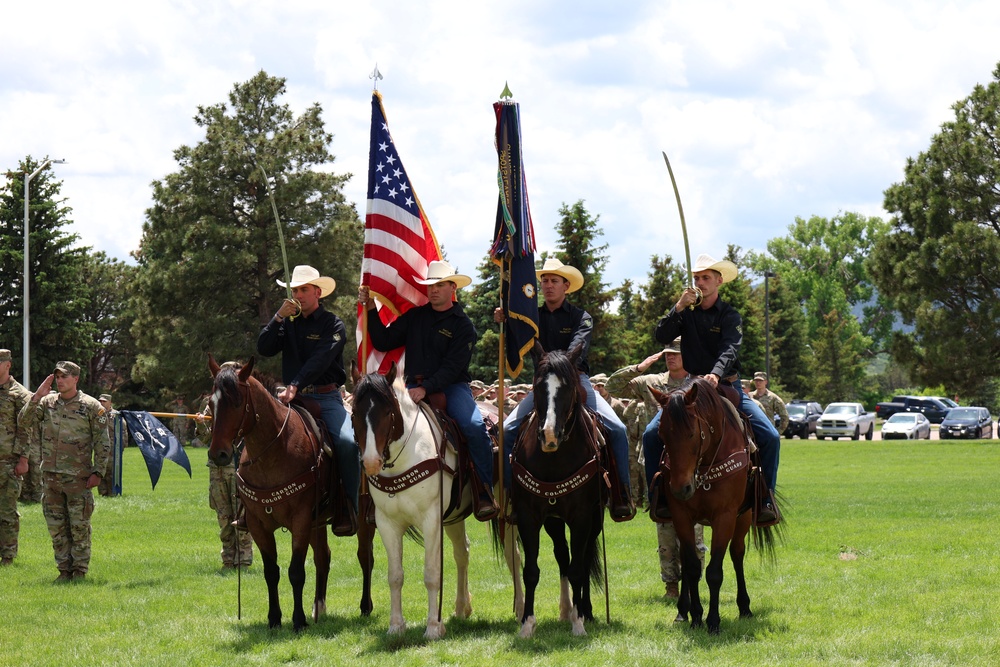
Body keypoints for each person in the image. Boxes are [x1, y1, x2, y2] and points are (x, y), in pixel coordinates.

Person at [642, 254, 781, 523]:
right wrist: (678, 307)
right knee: (650, 434)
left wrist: (715, 374)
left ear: (719, 281)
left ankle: (765, 499)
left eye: (706, 278)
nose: (700, 282)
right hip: (691, 386)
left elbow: (730, 348)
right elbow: (661, 335)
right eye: (696, 278)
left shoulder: (730, 315)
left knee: (771, 437)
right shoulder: (687, 314)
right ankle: (658, 497)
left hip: (726, 386)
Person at [360, 260, 499, 521]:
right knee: (379, 424)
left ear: (452, 288)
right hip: (412, 386)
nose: (434, 290)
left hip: (451, 388)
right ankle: (374, 498)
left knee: (473, 427)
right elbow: (383, 340)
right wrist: (370, 310)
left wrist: (426, 388)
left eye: (440, 285)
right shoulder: (415, 316)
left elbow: (453, 366)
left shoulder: (463, 326)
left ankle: (484, 490)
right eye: (430, 286)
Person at [497, 258, 634, 519]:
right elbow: (518, 339)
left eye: (554, 281)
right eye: (545, 281)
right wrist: (505, 321)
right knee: (507, 430)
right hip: (543, 384)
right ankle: (511, 496)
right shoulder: (531, 317)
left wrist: (557, 364)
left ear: (566, 286)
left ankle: (620, 493)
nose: (548, 286)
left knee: (618, 429)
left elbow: (577, 348)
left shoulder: (581, 317)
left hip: (575, 380)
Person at [257, 265, 361, 534]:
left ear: (318, 292)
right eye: (295, 290)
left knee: (348, 444)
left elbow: (321, 360)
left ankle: (350, 506)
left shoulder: (333, 325)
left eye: (304, 290)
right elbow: (264, 348)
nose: (299, 295)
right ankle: (249, 507)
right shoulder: (287, 322)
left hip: (326, 398)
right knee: (251, 434)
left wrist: (295, 383)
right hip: (292, 398)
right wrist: (278, 317)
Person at [606, 338, 705, 596]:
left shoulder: (698, 384)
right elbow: (612, 386)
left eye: (676, 354)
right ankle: (671, 584)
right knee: (665, 528)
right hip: (659, 464)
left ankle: (692, 580)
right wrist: (639, 368)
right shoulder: (652, 383)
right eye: (668, 354)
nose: (670, 358)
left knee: (694, 526)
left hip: (689, 463)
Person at [18, 361, 111, 581]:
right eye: (57, 377)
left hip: (78, 478)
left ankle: (79, 570)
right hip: (50, 477)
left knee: (79, 527)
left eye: (64, 377)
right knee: (56, 527)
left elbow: (102, 442)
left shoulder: (90, 406)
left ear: (76, 379)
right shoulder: (47, 403)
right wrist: (37, 396)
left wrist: (98, 472)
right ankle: (63, 570)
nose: (60, 381)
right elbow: (23, 421)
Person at [196, 397, 254, 570]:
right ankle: (228, 559)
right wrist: (200, 423)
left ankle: (243, 559)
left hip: (238, 465)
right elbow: (206, 438)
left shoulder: (242, 402)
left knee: (241, 512)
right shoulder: (211, 404)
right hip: (217, 468)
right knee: (223, 516)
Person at [1, 349, 32, 566]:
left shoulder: (19, 394)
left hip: (8, 462)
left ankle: (8, 557)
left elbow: (26, 429)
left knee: (7, 512)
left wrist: (23, 459)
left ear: (8, 365)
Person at [96, 394, 126, 497]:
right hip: (100, 448)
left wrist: (121, 449)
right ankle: (103, 493)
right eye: (100, 401)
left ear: (110, 403)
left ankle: (113, 492)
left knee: (112, 471)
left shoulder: (116, 416)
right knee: (100, 470)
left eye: (104, 401)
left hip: (113, 449)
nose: (101, 403)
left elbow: (123, 434)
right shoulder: (97, 415)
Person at [752, 372, 789, 436]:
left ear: (766, 382)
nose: (758, 383)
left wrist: (778, 432)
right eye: (756, 380)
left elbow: (784, 416)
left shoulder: (773, 398)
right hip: (753, 431)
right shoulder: (750, 396)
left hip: (767, 432)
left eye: (760, 380)